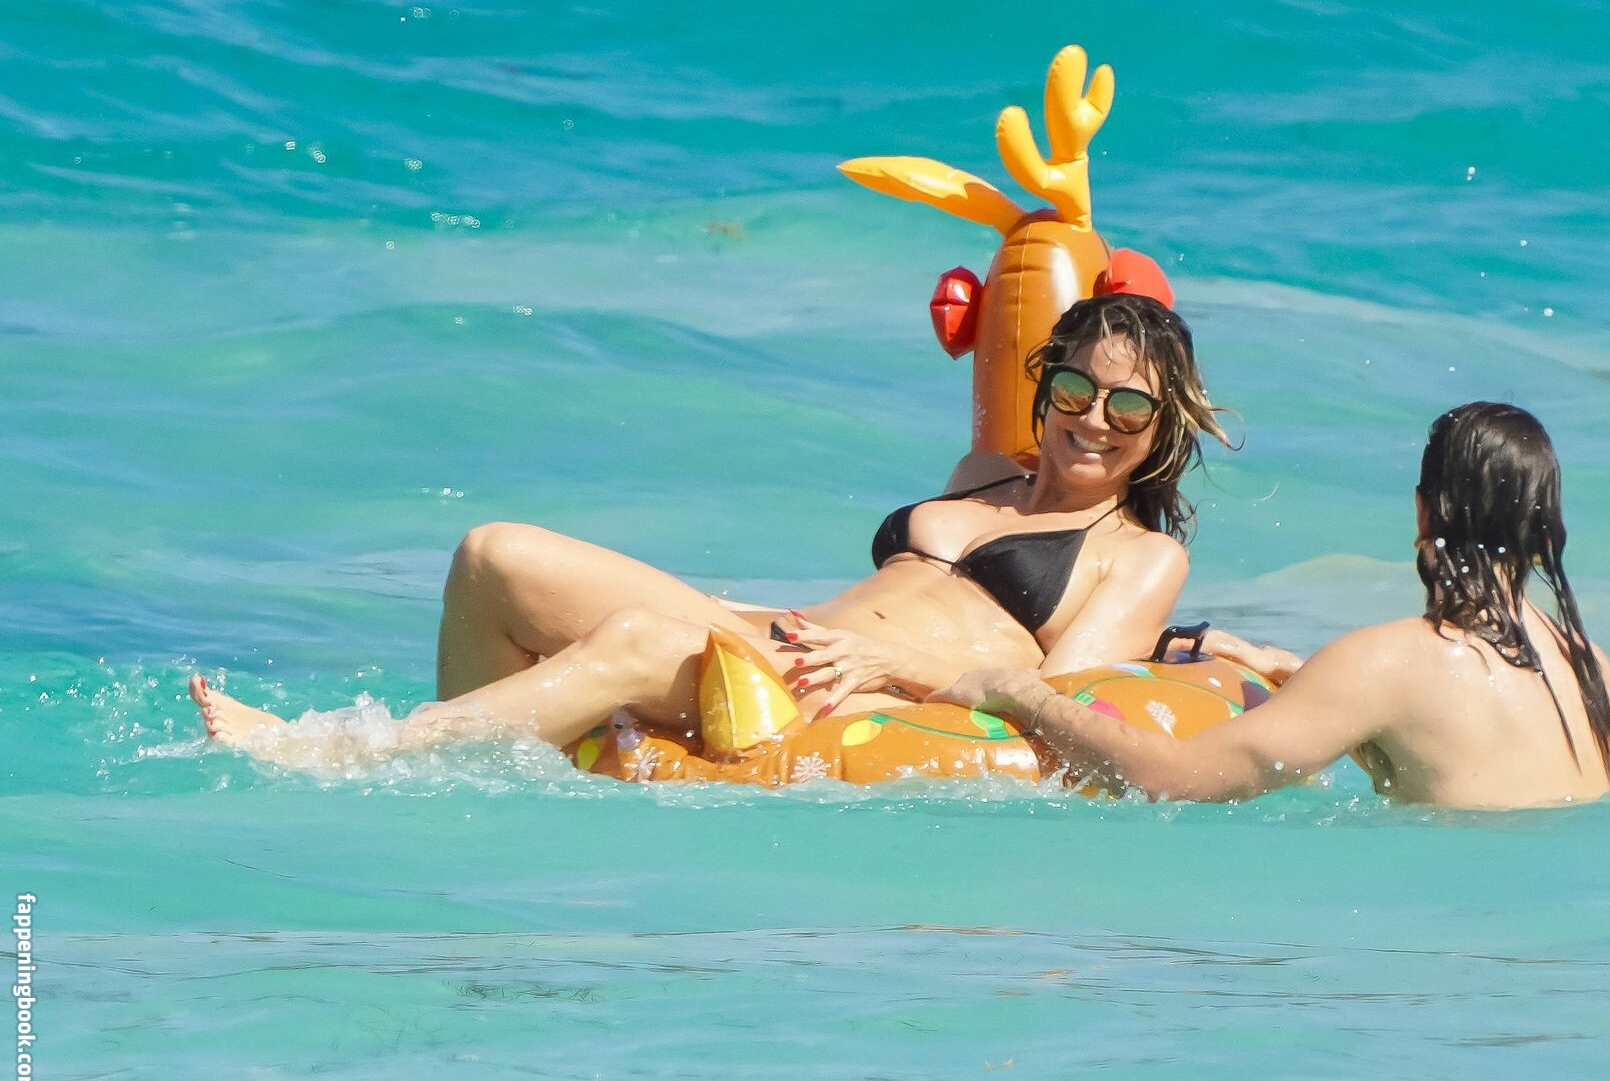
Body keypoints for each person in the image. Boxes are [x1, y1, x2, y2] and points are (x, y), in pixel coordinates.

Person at [191, 294, 1234, 760]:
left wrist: (891, 664)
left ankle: (349, 752)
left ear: (1163, 428)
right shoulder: (982, 475)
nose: (1094, 418)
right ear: (1045, 389)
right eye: (1074, 388)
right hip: (780, 633)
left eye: (1128, 405)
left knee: (642, 643)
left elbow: (1061, 700)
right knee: (493, 555)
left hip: (843, 690)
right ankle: (487, 762)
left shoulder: (1141, 556)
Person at [934, 402, 1610, 810]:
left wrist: (1028, 697)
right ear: (1545, 527)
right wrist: (1298, 674)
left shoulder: (1387, 664)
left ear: (1424, 510)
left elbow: (1173, 781)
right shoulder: (1590, 667)